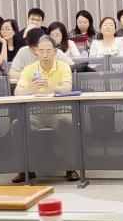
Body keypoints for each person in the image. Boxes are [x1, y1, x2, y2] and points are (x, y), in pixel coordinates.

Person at [13, 35, 78, 183]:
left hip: (59, 110)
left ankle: (71, 167)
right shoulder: (29, 69)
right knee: (18, 125)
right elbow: (17, 92)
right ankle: (25, 169)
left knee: (67, 123)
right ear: (36, 51)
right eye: (41, 51)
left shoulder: (63, 66)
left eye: (48, 51)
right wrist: (30, 87)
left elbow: (67, 89)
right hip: (34, 111)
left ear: (55, 51)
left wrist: (49, 85)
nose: (44, 54)